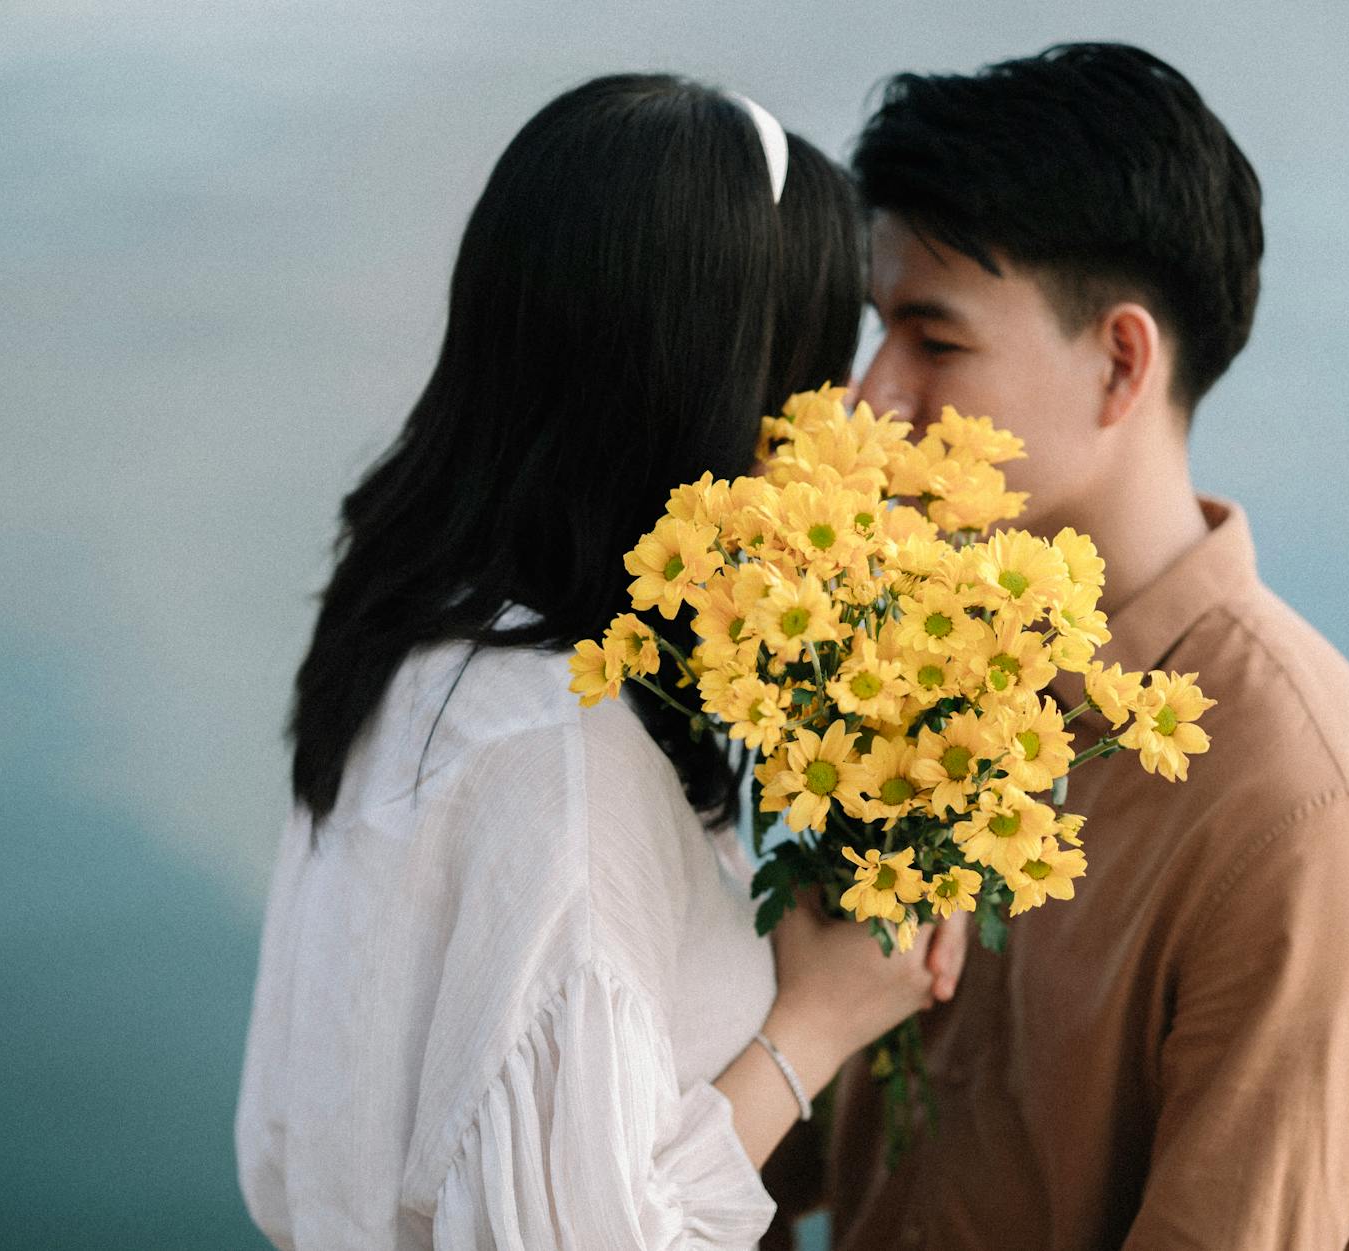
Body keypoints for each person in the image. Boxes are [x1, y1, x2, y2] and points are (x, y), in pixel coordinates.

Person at [234, 74, 965, 1251]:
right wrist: (817, 1021)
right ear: (732, 384)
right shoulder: (563, 760)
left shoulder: (420, 612)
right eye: (823, 364)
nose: (849, 412)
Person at [801, 43, 1349, 1250]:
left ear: (1118, 362)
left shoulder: (1300, 814)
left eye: (932, 343)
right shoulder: (912, 677)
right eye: (875, 330)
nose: (871, 397)